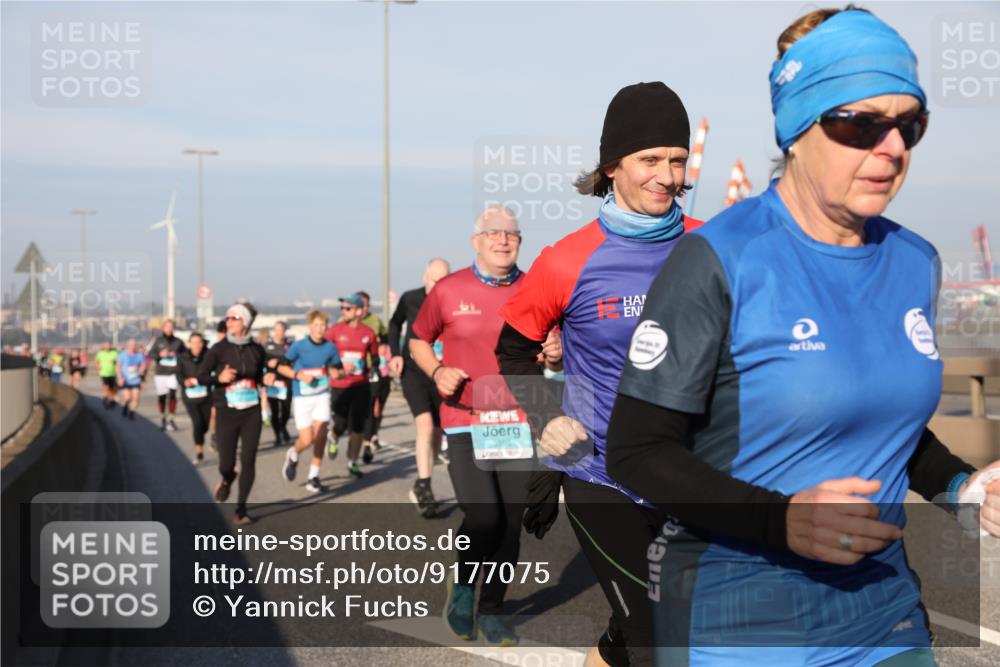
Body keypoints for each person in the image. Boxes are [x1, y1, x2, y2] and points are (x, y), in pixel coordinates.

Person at [605, 8, 1000, 667]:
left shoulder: (916, 262)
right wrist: (780, 518)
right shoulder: (721, 259)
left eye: (909, 124)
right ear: (797, 128)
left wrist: (964, 486)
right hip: (737, 621)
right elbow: (637, 449)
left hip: (882, 612)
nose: (893, 146)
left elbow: (882, 419)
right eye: (860, 124)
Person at [497, 81, 701, 667]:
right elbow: (513, 351)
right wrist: (546, 417)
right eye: (650, 160)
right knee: (656, 638)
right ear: (612, 167)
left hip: (691, 476)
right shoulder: (567, 259)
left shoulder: (711, 245)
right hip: (602, 474)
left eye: (678, 160)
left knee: (640, 629)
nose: (667, 174)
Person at [411, 206, 560, 646]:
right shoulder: (449, 289)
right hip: (465, 420)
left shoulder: (536, 288)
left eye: (511, 234)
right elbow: (418, 339)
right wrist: (437, 371)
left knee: (511, 522)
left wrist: (554, 354)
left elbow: (556, 356)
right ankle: (462, 589)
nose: (502, 239)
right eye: (493, 233)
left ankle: (492, 608)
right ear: (475, 241)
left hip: (517, 421)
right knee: (484, 515)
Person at [197, 302, 275, 525]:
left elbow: (260, 375)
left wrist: (265, 379)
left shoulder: (257, 349)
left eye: (234, 318)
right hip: (226, 411)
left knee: (249, 460)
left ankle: (241, 509)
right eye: (227, 318)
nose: (228, 322)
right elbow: (201, 375)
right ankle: (227, 478)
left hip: (251, 411)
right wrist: (218, 378)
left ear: (245, 323)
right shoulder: (218, 349)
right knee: (226, 463)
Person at [388, 258, 451, 517]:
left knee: (437, 432)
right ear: (426, 276)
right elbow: (394, 324)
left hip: (440, 372)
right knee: (424, 426)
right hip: (413, 372)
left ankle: (423, 477)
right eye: (435, 280)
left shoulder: (452, 299)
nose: (439, 285)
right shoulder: (410, 298)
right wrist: (395, 353)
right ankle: (424, 486)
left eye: (444, 280)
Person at [279, 310, 345, 493]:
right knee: (307, 439)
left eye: (323, 325)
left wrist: (337, 373)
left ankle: (313, 477)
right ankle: (293, 453)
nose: (320, 329)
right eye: (316, 325)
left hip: (322, 395)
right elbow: (281, 367)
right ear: (310, 327)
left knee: (321, 434)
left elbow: (339, 370)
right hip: (302, 397)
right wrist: (299, 375)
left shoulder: (330, 347)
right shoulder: (298, 346)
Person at [324, 293, 378, 478]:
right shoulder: (335, 330)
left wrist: (373, 369)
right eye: (342, 308)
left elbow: (375, 356)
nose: (343, 311)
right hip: (340, 384)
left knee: (357, 427)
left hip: (360, 385)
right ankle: (333, 437)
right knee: (340, 423)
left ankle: (352, 462)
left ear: (358, 311)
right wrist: (333, 368)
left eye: (347, 308)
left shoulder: (368, 333)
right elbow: (323, 352)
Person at [356, 290, 388, 462]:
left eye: (366, 305)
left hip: (372, 370)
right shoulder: (343, 323)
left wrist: (383, 345)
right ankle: (338, 433)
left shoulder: (375, 321)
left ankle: (368, 443)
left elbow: (385, 336)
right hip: (352, 374)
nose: (363, 308)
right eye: (360, 305)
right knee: (355, 412)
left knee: (372, 407)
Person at [177, 333, 212, 464]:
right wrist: (184, 382)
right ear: (189, 343)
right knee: (197, 423)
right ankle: (199, 453)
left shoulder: (209, 355)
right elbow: (178, 374)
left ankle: (200, 437)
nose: (197, 345)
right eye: (194, 342)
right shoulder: (182, 357)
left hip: (206, 395)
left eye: (199, 342)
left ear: (203, 343)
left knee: (205, 425)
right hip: (190, 396)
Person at [148, 320, 186, 431]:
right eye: (167, 327)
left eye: (171, 327)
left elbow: (185, 354)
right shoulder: (158, 340)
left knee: (173, 395)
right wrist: (160, 355)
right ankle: (162, 418)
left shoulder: (178, 341)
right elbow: (150, 353)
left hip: (173, 372)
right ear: (163, 328)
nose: (169, 329)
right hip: (161, 373)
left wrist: (177, 354)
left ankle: (171, 419)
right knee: (162, 396)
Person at [264, 321, 294, 446]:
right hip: (273, 382)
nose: (279, 332)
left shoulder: (290, 345)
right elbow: (264, 361)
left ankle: (283, 427)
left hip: (287, 381)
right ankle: (278, 436)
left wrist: (279, 361)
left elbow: (293, 360)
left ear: (285, 331)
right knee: (275, 411)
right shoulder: (267, 346)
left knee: (286, 411)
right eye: (277, 330)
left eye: (281, 330)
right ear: (274, 331)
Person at [116, 339, 147, 420]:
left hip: (136, 379)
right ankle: (125, 406)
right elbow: (118, 366)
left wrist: (141, 370)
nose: (132, 347)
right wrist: (119, 377)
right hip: (125, 379)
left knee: (136, 397)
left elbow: (144, 364)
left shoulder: (139, 355)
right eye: (130, 345)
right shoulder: (123, 355)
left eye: (134, 345)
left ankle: (132, 412)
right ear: (127, 346)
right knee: (127, 397)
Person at [94, 341, 119, 409]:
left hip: (113, 373)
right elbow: (97, 361)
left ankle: (111, 399)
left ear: (111, 346)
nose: (107, 346)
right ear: (103, 346)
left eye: (109, 345)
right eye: (106, 345)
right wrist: (98, 367)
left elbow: (118, 363)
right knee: (106, 386)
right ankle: (105, 399)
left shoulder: (115, 353)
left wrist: (118, 371)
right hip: (104, 373)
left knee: (113, 388)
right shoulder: (100, 353)